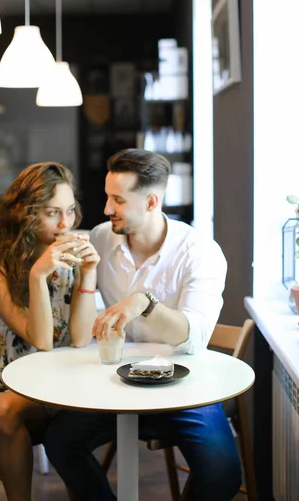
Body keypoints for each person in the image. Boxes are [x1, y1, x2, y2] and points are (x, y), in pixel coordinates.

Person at [43, 149, 241, 501]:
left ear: (151, 201)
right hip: (113, 385)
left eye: (117, 200)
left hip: (184, 387)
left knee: (222, 471)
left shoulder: (200, 251)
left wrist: (145, 303)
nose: (106, 208)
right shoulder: (103, 237)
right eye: (107, 196)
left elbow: (193, 339)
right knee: (59, 442)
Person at [0, 162, 100, 501]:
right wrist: (37, 275)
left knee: (3, 410)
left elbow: (77, 339)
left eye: (70, 211)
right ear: (26, 214)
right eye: (52, 213)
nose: (66, 224)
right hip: (5, 375)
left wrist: (89, 275)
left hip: (60, 376)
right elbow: (38, 337)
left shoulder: (73, 260)